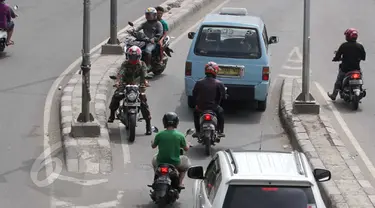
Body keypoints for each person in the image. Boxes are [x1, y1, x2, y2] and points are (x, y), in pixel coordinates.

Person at [108, 46, 152, 135]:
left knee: (143, 101)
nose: (133, 59)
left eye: (135, 57)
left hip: (137, 86)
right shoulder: (125, 64)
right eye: (131, 57)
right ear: (128, 56)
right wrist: (118, 82)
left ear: (139, 56)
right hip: (125, 85)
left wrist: (145, 82)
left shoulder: (142, 64)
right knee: (116, 96)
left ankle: (148, 125)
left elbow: (144, 74)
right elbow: (121, 73)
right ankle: (112, 114)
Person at [151, 112, 191, 187]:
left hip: (160, 162)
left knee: (154, 159)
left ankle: (155, 178)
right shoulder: (180, 135)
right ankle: (180, 183)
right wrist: (188, 144)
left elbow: (153, 146)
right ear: (176, 122)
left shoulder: (159, 134)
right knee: (186, 164)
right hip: (175, 163)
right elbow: (186, 148)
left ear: (164, 122)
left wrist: (153, 141)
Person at [327, 28, 366, 100]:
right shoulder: (360, 46)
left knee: (338, 81)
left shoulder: (344, 46)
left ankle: (334, 95)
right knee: (360, 77)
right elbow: (363, 57)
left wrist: (336, 59)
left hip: (345, 69)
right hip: (356, 69)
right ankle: (360, 89)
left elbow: (337, 56)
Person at [192, 62, 226, 138]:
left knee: (195, 113)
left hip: (201, 107)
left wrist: (197, 103)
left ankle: (197, 131)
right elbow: (223, 96)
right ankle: (221, 131)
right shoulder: (219, 83)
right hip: (214, 107)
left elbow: (194, 94)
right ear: (216, 71)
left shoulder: (199, 82)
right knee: (221, 112)